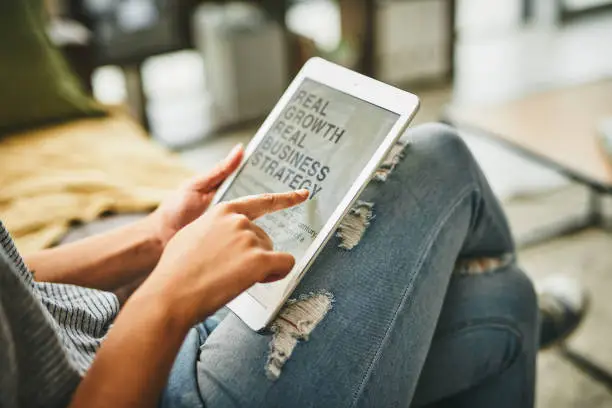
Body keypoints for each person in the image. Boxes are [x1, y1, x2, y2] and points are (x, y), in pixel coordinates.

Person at [0, 124, 539, 408]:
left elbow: (11, 280)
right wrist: (167, 297)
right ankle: (462, 268)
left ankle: (465, 278)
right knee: (434, 156)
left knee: (508, 305)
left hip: (126, 344)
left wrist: (154, 238)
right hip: (149, 378)